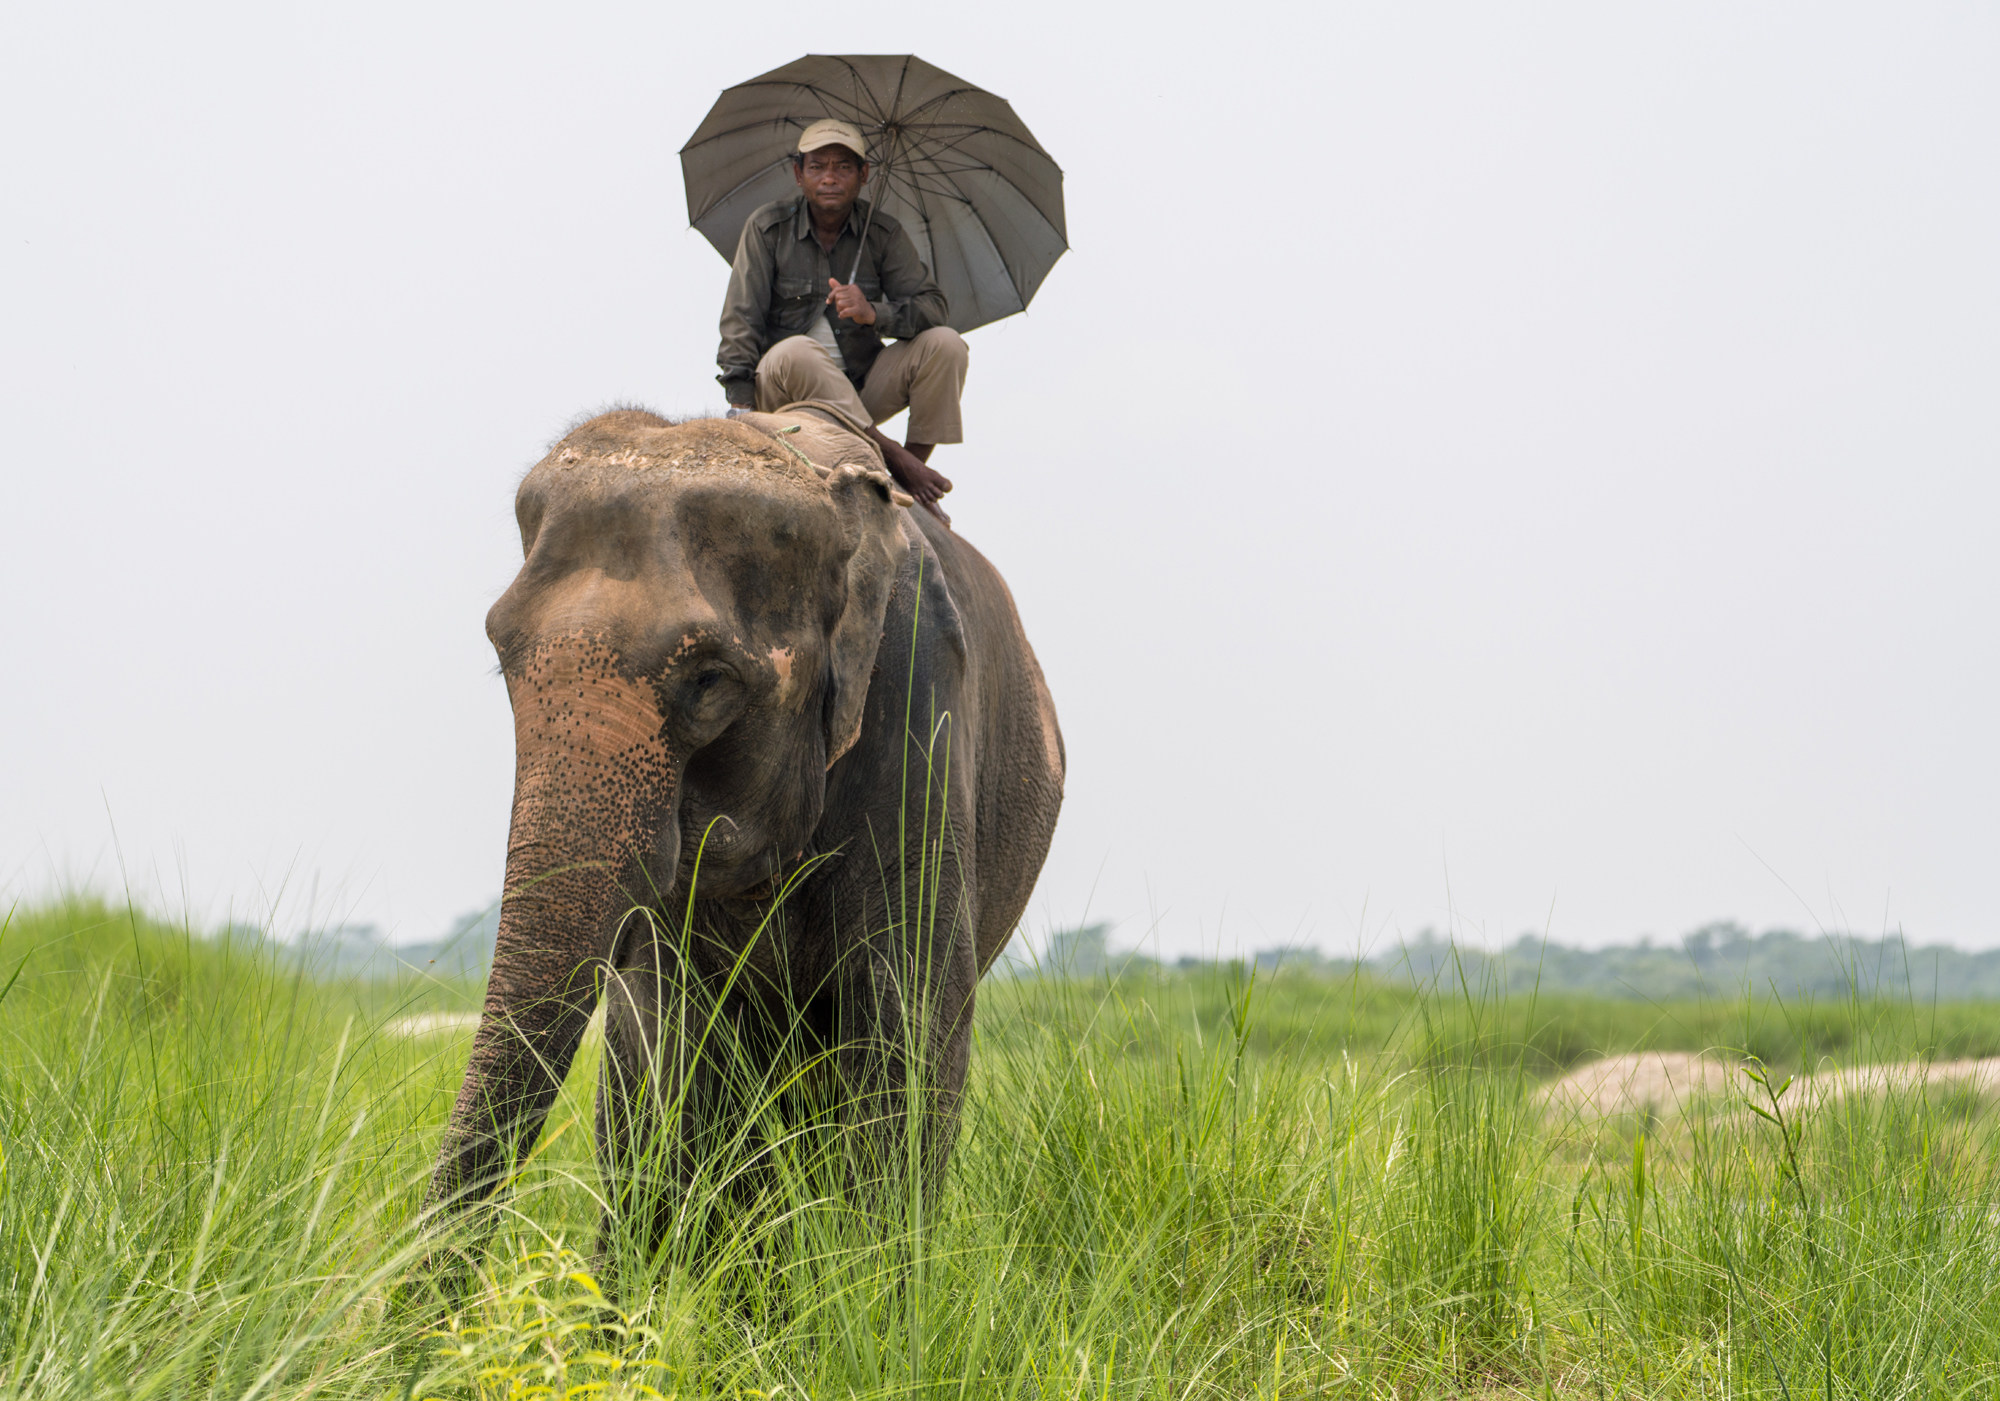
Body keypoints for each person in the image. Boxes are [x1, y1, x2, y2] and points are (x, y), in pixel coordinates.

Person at [716, 118, 965, 519]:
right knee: (799, 350)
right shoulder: (768, 229)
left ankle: (908, 481)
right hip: (785, 389)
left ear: (863, 175)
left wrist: (874, 313)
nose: (830, 178)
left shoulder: (882, 233)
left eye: (843, 167)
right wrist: (741, 407)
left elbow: (933, 305)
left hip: (859, 389)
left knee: (946, 344)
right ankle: (894, 457)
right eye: (817, 167)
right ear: (800, 174)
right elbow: (739, 319)